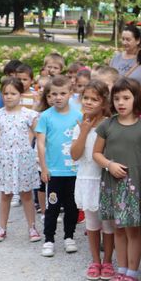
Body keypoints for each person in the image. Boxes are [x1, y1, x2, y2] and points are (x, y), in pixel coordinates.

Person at [93, 77, 141, 281]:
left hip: (134, 186)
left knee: (133, 231)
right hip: (112, 184)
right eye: (117, 98)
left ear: (136, 99)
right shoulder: (106, 125)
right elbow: (96, 154)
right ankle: (122, 269)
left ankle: (133, 273)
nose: (121, 102)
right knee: (119, 230)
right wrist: (109, 165)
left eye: (126, 98)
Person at [0, 77, 41, 243]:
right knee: (5, 194)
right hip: (5, 159)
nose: (9, 97)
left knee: (27, 195)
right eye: (6, 93)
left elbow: (40, 134)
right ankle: (2, 228)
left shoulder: (29, 114)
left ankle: (32, 227)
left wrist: (37, 149)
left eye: (13, 93)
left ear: (20, 95)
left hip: (24, 159)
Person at [69, 79, 115, 280]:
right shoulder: (79, 126)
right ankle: (95, 260)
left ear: (104, 102)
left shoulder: (110, 125)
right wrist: (84, 131)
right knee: (92, 224)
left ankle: (108, 261)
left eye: (94, 99)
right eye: (85, 98)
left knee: (108, 225)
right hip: (86, 178)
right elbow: (75, 155)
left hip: (104, 179)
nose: (88, 102)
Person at [36, 76, 84, 257]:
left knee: (72, 206)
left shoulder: (78, 115)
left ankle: (69, 237)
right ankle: (49, 239)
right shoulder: (46, 116)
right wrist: (44, 167)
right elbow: (40, 143)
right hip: (54, 171)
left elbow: (84, 139)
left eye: (63, 93)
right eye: (54, 94)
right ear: (48, 96)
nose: (58, 97)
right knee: (52, 206)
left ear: (70, 94)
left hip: (73, 170)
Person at [109, 24, 141, 97]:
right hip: (117, 102)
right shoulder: (116, 57)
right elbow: (109, 80)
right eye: (123, 39)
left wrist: (132, 99)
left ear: (137, 41)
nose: (124, 42)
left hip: (137, 103)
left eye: (128, 39)